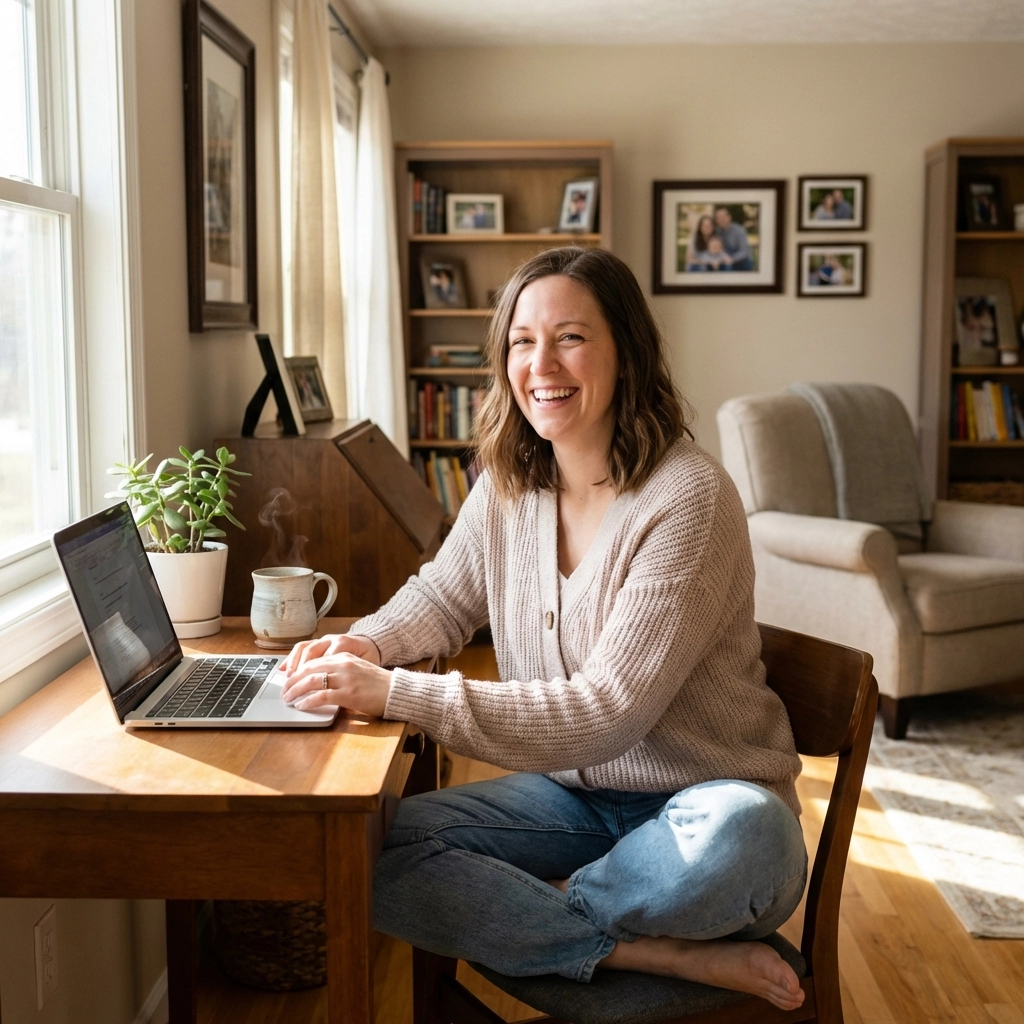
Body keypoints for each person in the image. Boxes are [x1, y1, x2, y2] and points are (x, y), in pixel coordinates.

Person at [279, 247, 807, 1012]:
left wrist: (396, 692)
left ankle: (544, 932)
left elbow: (606, 712)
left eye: (571, 337)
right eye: (522, 340)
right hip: (576, 809)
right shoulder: (507, 484)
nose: (542, 362)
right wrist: (368, 643)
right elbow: (442, 596)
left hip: (700, 814)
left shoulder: (687, 496)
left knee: (745, 836)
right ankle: (654, 958)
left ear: (626, 351)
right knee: (367, 849)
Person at [713, 206, 754, 271]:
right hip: (725, 258)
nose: (721, 220)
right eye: (718, 218)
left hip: (742, 260)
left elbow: (744, 251)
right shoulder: (717, 232)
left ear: (729, 217)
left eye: (723, 217)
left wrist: (731, 259)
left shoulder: (739, 230)